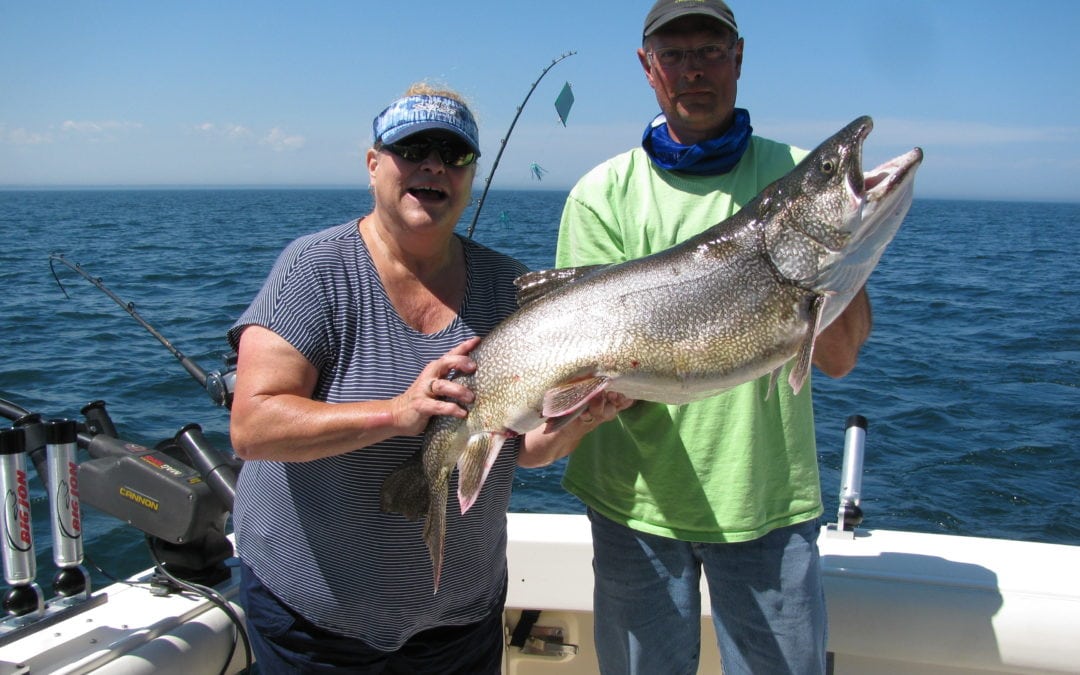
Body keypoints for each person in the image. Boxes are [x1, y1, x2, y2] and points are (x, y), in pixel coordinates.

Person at [227, 83, 625, 673]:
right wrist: (397, 412)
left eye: (453, 153)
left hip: (460, 623)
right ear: (373, 165)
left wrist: (579, 420)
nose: (433, 164)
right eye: (412, 149)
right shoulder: (315, 268)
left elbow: (526, 448)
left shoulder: (507, 286)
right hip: (313, 623)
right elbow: (253, 425)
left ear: (468, 174)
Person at [555, 2, 872, 673]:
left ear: (740, 57)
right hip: (633, 505)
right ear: (648, 68)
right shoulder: (600, 196)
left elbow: (839, 358)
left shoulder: (796, 179)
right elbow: (595, 375)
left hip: (765, 505)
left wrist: (834, 250)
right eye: (674, 54)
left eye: (710, 50)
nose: (693, 70)